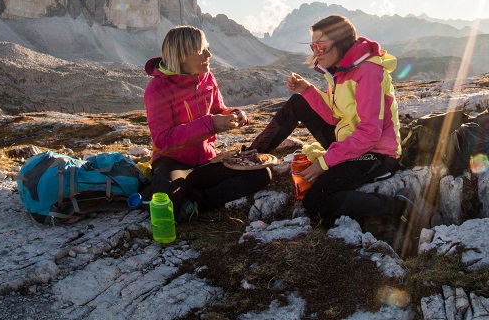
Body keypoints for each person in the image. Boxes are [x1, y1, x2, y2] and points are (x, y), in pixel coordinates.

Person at [249, 15, 416, 234]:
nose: (316, 53)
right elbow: (334, 117)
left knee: (316, 199)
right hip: (350, 141)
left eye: (321, 46)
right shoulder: (339, 70)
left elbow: (369, 133)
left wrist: (324, 163)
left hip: (375, 153)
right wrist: (307, 90)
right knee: (298, 102)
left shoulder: (367, 71)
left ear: (341, 42)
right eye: (312, 47)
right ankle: (251, 155)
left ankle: (398, 206)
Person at [142, 25, 271, 221]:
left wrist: (234, 114)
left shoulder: (208, 78)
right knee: (165, 201)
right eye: (202, 51)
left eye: (207, 48)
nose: (209, 55)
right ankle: (181, 194)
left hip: (207, 160)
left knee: (261, 174)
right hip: (173, 161)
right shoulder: (157, 88)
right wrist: (210, 124)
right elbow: (162, 139)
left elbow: (218, 109)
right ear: (181, 55)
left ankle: (194, 201)